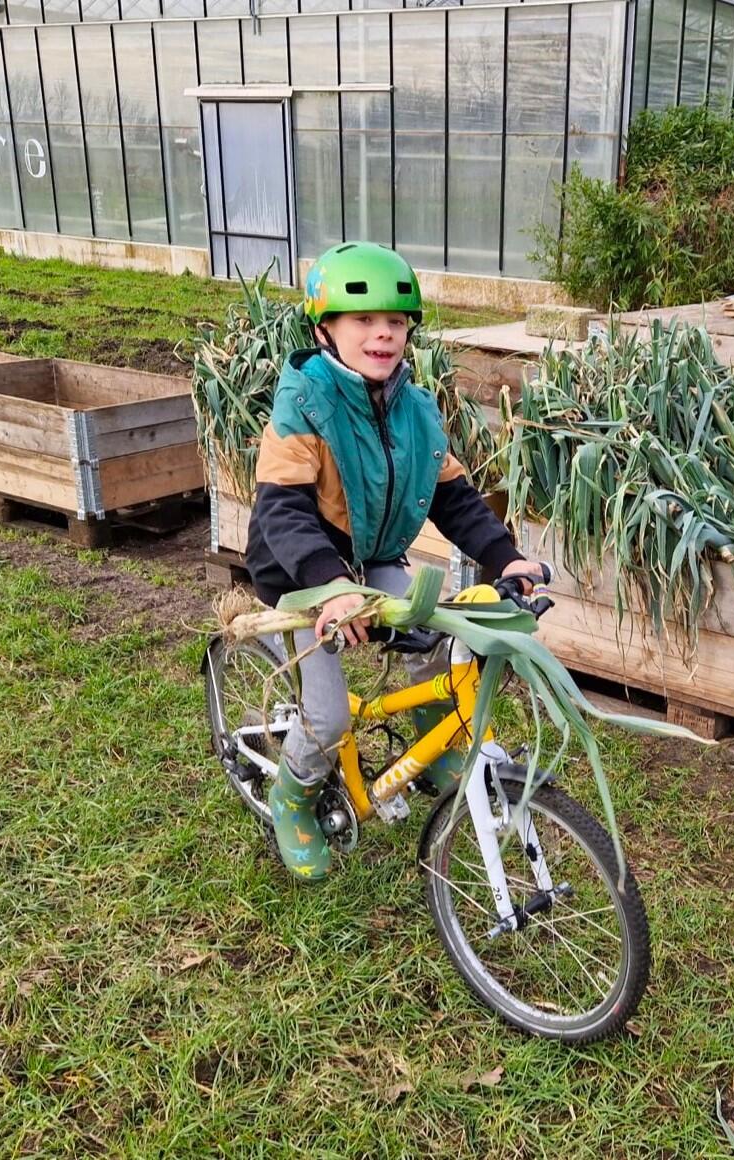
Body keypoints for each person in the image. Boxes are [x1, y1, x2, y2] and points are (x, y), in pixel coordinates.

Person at [245, 241, 541, 882]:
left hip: (371, 556)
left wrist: (506, 558)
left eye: (397, 322)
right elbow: (283, 511)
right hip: (302, 574)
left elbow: (453, 497)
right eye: (364, 320)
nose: (383, 333)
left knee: (435, 632)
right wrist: (329, 588)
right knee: (327, 717)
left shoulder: (413, 407)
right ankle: (292, 798)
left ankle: (434, 752)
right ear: (325, 328)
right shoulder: (304, 402)